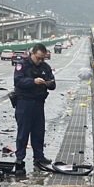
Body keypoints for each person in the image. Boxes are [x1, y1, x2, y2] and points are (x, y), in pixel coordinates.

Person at [13, 43, 56, 176]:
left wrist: (48, 83)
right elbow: (18, 81)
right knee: (23, 133)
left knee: (38, 132)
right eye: (38, 58)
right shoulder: (22, 64)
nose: (40, 61)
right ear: (32, 54)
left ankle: (39, 157)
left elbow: (53, 84)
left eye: (43, 58)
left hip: (38, 103)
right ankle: (20, 160)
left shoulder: (45, 67)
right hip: (24, 103)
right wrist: (33, 82)